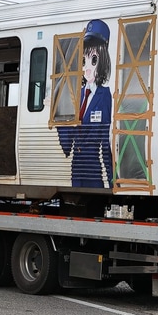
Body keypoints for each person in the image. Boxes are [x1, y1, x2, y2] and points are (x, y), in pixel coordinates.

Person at [58, 19, 113, 188]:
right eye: (83, 62)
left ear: (102, 61)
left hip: (93, 167)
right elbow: (66, 147)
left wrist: (112, 178)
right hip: (76, 168)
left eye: (93, 60)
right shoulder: (76, 95)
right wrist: (59, 113)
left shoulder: (104, 95)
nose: (87, 68)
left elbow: (105, 140)